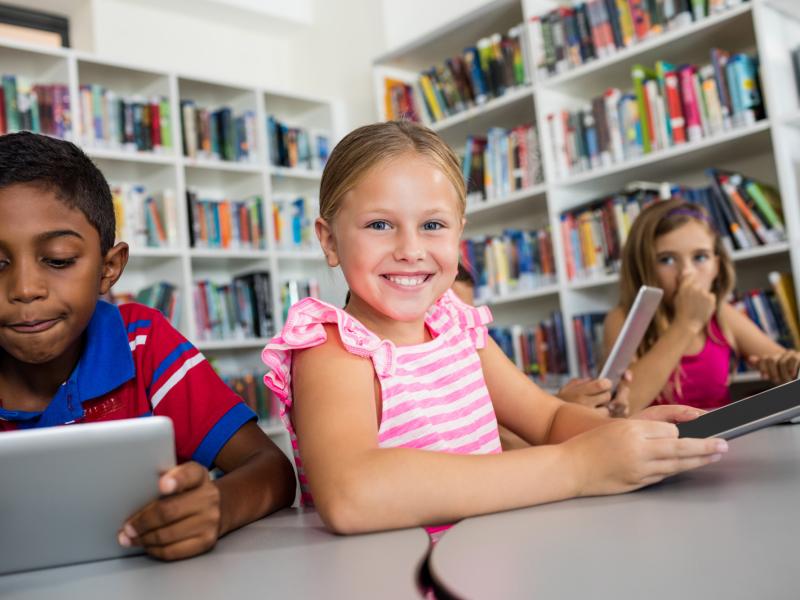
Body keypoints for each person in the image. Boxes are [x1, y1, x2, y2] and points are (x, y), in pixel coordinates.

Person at [261, 121, 725, 536]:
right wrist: (577, 466)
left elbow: (548, 418)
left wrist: (623, 436)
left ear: (459, 235)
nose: (410, 248)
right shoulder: (331, 348)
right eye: (380, 224)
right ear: (329, 240)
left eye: (433, 225)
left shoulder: (456, 325)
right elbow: (351, 495)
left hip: (486, 559)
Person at [0, 132, 296, 560]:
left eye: (59, 259)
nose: (25, 289)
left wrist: (217, 508)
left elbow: (272, 470)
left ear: (109, 268)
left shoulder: (142, 344)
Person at [604, 198, 800, 414]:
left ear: (716, 265)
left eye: (700, 257)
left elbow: (786, 363)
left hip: (723, 441)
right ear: (642, 267)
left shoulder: (721, 315)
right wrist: (687, 323)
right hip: (655, 444)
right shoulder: (623, 319)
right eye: (666, 260)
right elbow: (624, 407)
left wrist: (788, 364)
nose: (686, 272)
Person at [452, 262, 627, 418]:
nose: (467, 331)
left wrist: (566, 406)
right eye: (453, 316)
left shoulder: (481, 358)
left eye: (470, 316)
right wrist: (564, 408)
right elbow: (506, 440)